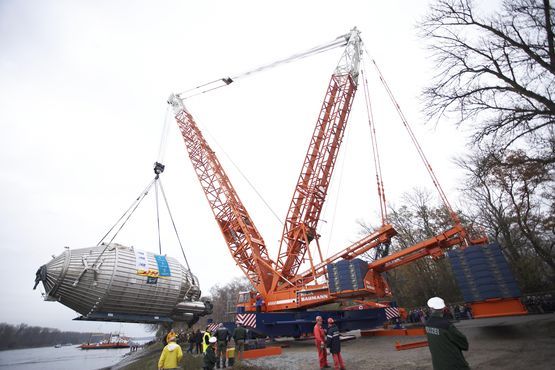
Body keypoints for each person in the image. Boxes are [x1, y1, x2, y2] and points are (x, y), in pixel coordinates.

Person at [425, 296, 470, 370]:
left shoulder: (428, 324)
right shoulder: (446, 325)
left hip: (438, 364)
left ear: (431, 308)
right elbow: (462, 341)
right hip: (452, 364)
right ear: (443, 308)